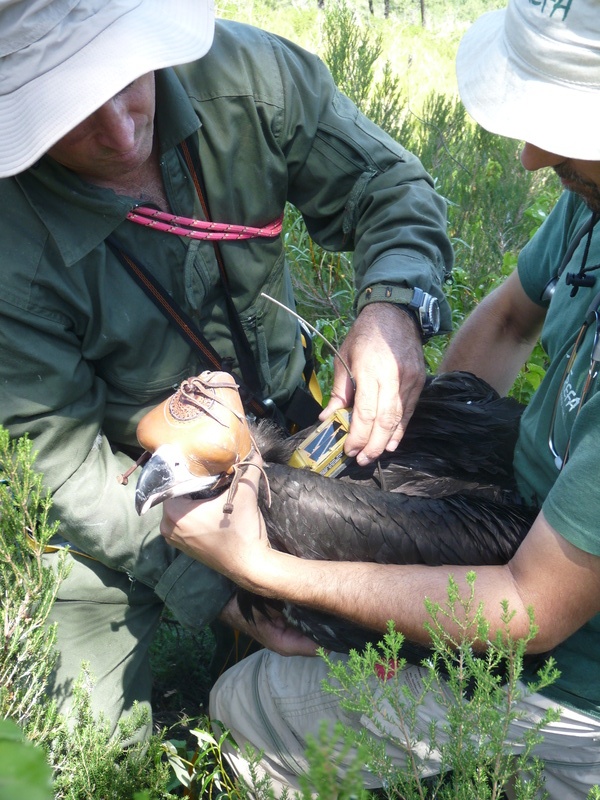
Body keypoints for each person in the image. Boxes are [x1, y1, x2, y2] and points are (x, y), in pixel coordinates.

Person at [159, 0, 600, 796]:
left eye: (572, 136)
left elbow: (526, 612)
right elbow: (506, 316)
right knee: (329, 490)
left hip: (570, 671)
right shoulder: (593, 199)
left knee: (244, 702)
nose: (535, 156)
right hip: (529, 521)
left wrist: (269, 570)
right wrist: (404, 409)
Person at [0, 1, 454, 735]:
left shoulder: (247, 79)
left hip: (295, 426)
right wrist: (227, 585)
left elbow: (391, 189)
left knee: (424, 649)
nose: (120, 132)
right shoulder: (7, 242)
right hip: (136, 482)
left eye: (123, 81)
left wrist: (392, 309)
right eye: (66, 114)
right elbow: (59, 464)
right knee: (70, 741)